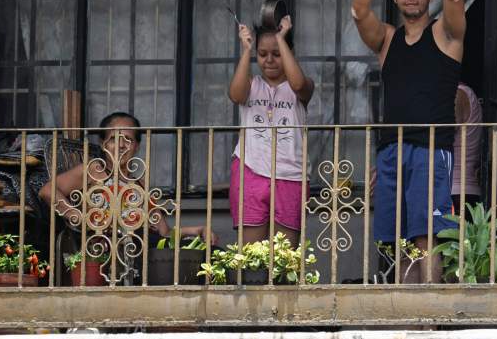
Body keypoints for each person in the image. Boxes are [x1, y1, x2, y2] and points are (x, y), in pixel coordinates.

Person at [352, 0, 465, 283]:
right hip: (391, 151)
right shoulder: (387, 39)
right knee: (401, 243)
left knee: (427, 238)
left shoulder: (446, 34)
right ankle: (405, 318)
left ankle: (428, 320)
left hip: (432, 149)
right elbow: (358, 11)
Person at [38, 111, 215, 245]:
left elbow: (164, 232)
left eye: (128, 139)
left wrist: (198, 229)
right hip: (111, 248)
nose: (121, 145)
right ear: (103, 143)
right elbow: (47, 191)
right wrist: (77, 216)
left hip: (143, 245)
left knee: (211, 253)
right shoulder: (93, 170)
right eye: (114, 138)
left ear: (137, 146)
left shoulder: (138, 184)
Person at [228, 13, 314, 248]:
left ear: (288, 52)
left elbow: (298, 85)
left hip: (291, 174)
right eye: (262, 54)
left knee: (285, 256)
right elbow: (236, 95)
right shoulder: (251, 84)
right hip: (251, 169)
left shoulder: (301, 86)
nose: (269, 60)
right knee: (251, 255)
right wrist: (246, 50)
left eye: (277, 54)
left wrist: (281, 38)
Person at [451, 82, 482, 209]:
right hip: (461, 188)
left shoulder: (458, 93)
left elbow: (443, 134)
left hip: (456, 189)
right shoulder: (463, 92)